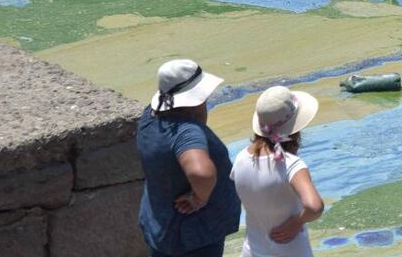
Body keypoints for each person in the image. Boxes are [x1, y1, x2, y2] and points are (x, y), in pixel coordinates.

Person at [137, 59, 241, 257]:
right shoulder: (186, 132)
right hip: (194, 236)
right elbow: (201, 173)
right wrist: (199, 198)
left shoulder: (150, 117)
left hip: (159, 224)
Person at [231, 86, 323, 257]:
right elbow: (314, 206)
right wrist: (296, 222)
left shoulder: (240, 159)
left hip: (252, 251)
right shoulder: (292, 165)